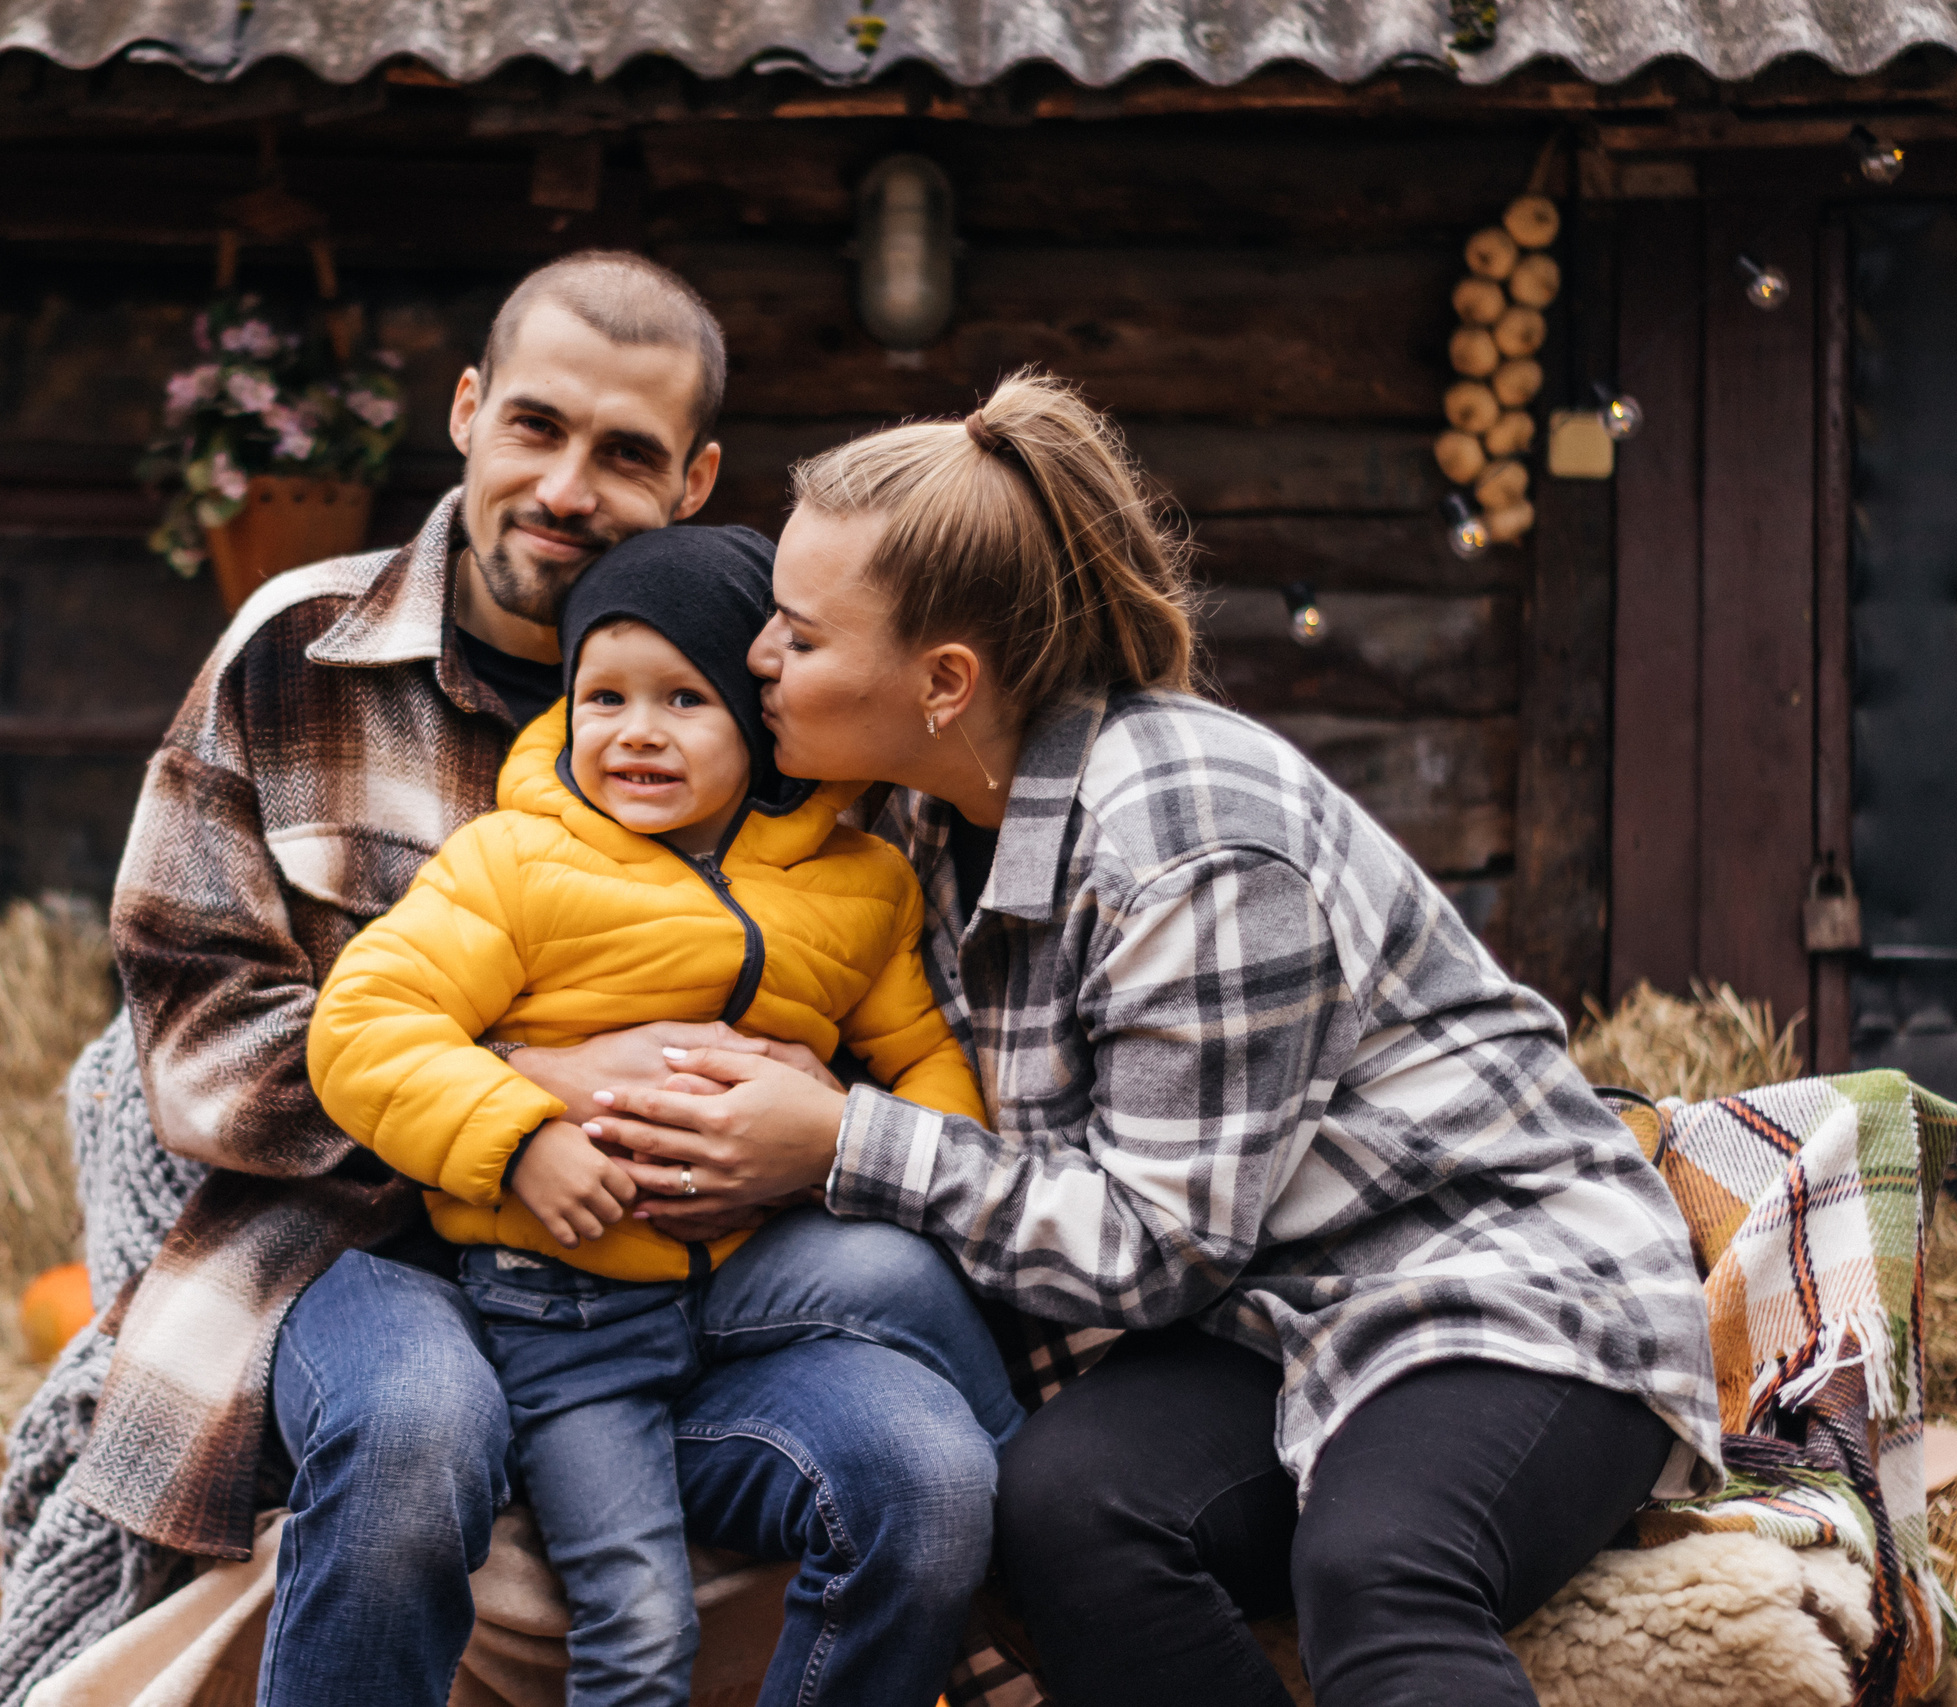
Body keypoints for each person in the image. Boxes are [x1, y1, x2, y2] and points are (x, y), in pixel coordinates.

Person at [576, 367, 1726, 1707]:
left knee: (1378, 1567)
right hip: (1268, 1315)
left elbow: (1160, 1242)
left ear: (944, 682)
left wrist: (844, 1142)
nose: (759, 658)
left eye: (799, 634)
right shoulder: (920, 822)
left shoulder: (1188, 839)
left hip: (1496, 1286)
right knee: (1060, 1509)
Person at [0, 252, 1005, 1707]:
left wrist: (797, 1113)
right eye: (536, 426)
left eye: (627, 454)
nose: (566, 487)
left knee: (925, 1468)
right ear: (468, 410)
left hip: (689, 1276)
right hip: (360, 1260)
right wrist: (528, 1099)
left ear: (696, 478)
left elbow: (883, 1006)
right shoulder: (297, 655)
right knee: (415, 1430)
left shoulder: (799, 711)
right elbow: (197, 1027)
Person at [308, 524, 1021, 1707]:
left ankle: (1030, 1521)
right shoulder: (514, 863)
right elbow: (364, 1027)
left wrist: (840, 1133)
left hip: (747, 1278)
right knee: (639, 1626)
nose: (636, 731)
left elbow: (927, 1063)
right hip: (570, 1311)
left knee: (906, 1281)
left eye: (684, 699)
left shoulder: (860, 885)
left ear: (759, 716)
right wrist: (520, 1135)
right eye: (604, 698)